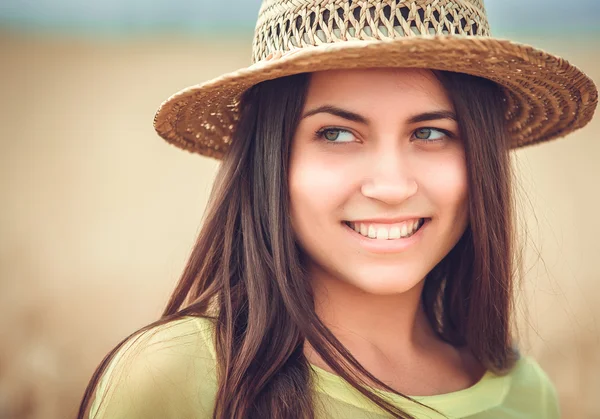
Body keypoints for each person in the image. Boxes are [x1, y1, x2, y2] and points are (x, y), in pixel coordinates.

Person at [78, 1, 598, 418]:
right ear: (272, 160)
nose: (392, 186)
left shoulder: (527, 397)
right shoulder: (180, 379)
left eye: (432, 132)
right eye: (337, 133)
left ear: (479, 157)